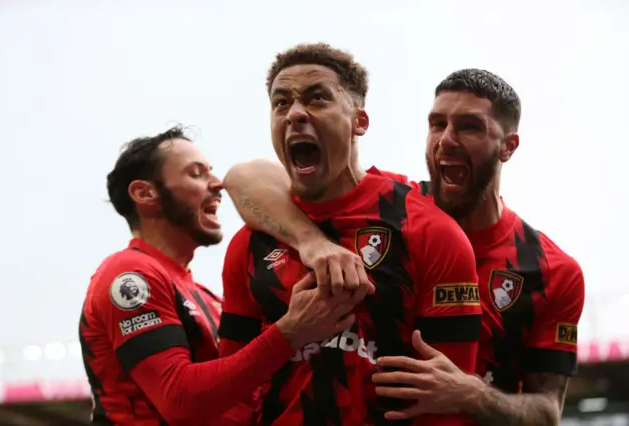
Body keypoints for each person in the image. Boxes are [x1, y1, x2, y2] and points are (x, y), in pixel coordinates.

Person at [223, 68, 585, 426]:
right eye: (437, 124)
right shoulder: (392, 207)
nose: (446, 140)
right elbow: (244, 178)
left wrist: (473, 396)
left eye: (469, 126)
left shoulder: (553, 271)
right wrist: (312, 242)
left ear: (508, 146)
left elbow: (547, 410)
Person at [218, 43, 482, 426]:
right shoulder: (249, 243)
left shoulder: (429, 231)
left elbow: (447, 403)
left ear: (360, 121)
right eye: (281, 103)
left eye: (317, 98)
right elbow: (232, 393)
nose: (294, 114)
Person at [78, 126, 367, 426]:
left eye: (211, 172)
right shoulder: (129, 274)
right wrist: (291, 333)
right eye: (196, 174)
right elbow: (179, 400)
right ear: (145, 193)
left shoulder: (204, 295)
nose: (217, 184)